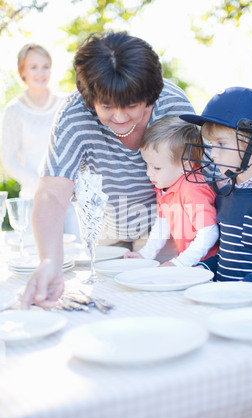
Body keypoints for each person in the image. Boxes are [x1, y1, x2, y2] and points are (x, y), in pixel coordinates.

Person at [21, 31, 195, 308]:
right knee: (109, 302)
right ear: (90, 99)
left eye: (132, 105)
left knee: (162, 305)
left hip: (167, 234)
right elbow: (52, 193)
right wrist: (50, 261)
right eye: (107, 106)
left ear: (151, 96)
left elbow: (199, 182)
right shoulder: (74, 113)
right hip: (106, 234)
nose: (120, 117)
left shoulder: (173, 105)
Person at [180, 86, 252, 302]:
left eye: (220, 144)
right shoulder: (224, 195)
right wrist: (203, 268)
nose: (213, 153)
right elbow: (230, 256)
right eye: (211, 145)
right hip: (230, 303)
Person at [1, 43, 80, 238]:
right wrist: (41, 186)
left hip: (69, 198)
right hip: (33, 199)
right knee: (38, 259)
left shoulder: (66, 103)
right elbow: (8, 160)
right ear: (23, 71)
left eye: (45, 66)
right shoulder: (14, 111)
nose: (41, 73)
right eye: (33, 67)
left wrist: (65, 186)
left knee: (77, 256)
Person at [124, 116, 219, 266]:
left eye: (156, 167)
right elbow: (162, 224)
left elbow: (209, 232)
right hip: (189, 263)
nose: (149, 173)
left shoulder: (192, 189)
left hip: (206, 265)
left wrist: (180, 263)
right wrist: (145, 254)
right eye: (147, 165)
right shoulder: (164, 187)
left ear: (186, 166)